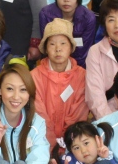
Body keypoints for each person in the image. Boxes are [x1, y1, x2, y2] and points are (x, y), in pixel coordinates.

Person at [31, 19, 89, 149]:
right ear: (46, 49)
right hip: (41, 142)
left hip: (73, 142)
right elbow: (38, 113)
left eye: (63, 43)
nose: (58, 49)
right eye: (52, 44)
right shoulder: (34, 76)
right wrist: (51, 145)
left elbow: (79, 114)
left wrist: (67, 142)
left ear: (71, 47)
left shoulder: (82, 76)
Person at [37, 0, 98, 67]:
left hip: (79, 65)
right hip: (52, 63)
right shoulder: (45, 14)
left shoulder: (88, 18)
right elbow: (47, 47)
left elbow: (84, 52)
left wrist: (73, 71)